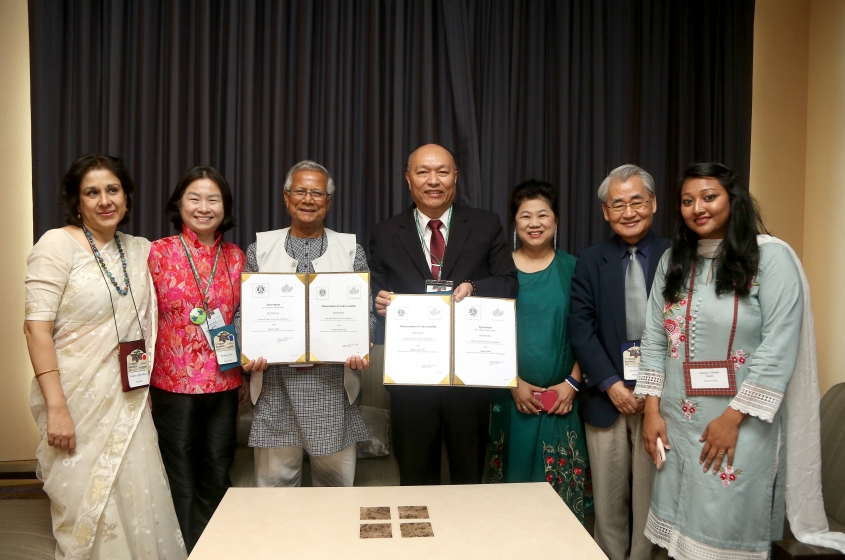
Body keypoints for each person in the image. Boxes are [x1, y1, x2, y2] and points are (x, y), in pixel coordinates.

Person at [634, 163, 845, 559]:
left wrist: (732, 420)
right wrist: (651, 410)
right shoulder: (673, 261)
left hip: (740, 425)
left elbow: (780, 345)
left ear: (733, 198)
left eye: (709, 196)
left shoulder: (771, 258)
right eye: (687, 200)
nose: (698, 207)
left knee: (724, 528)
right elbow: (655, 337)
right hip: (676, 422)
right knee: (679, 532)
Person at [23, 154, 186, 559]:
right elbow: (35, 328)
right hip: (75, 398)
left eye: (112, 190)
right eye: (91, 193)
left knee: (137, 494)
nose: (104, 200)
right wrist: (57, 407)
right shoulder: (56, 245)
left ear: (126, 198)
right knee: (84, 503)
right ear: (76, 202)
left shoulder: (138, 250)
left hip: (129, 399)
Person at [369, 143, 518, 485]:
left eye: (442, 171)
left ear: (455, 177)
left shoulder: (484, 224)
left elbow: (509, 283)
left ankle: (465, 539)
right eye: (423, 172)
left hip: (469, 381)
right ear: (408, 179)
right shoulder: (386, 232)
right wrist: (378, 305)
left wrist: (474, 288)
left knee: (468, 479)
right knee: (415, 480)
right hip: (411, 382)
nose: (433, 181)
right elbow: (375, 296)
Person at [240, 160, 371, 487]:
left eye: (317, 193)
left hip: (332, 386)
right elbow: (247, 313)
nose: (308, 199)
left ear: (328, 202)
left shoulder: (351, 250)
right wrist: (249, 350)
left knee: (336, 492)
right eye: (300, 191)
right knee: (275, 492)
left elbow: (363, 312)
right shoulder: (259, 250)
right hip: (275, 386)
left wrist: (361, 342)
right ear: (286, 198)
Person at [569, 164, 671, 559]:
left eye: (637, 202)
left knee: (652, 502)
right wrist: (611, 383)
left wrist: (653, 390)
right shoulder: (591, 259)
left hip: (659, 404)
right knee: (609, 505)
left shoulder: (676, 256)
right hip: (605, 400)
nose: (629, 212)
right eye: (618, 204)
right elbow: (580, 326)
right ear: (605, 212)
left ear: (654, 204)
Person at [147, 166, 247, 552]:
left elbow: (247, 319)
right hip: (172, 382)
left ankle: (218, 548)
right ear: (178, 204)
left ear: (225, 207)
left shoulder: (236, 257)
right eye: (194, 198)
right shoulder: (158, 252)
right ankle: (183, 549)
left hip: (224, 383)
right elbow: (139, 318)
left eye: (213, 199)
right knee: (179, 472)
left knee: (218, 468)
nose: (204, 207)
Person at [488, 180, 593, 522]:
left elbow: (592, 331)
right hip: (511, 400)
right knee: (509, 508)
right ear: (514, 224)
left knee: (559, 509)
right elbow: (484, 336)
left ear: (556, 220)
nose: (534, 223)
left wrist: (573, 383)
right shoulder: (497, 272)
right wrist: (511, 382)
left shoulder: (577, 268)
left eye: (542, 215)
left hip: (563, 401)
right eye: (525, 216)